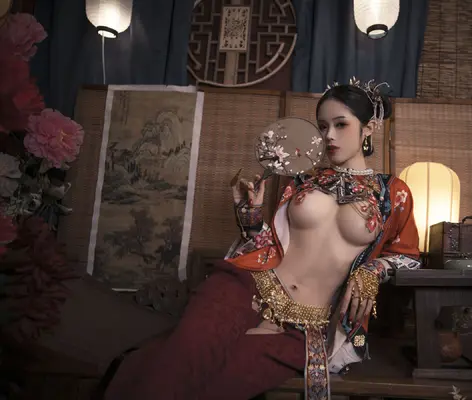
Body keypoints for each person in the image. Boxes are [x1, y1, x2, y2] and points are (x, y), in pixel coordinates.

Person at [103, 79, 421, 400]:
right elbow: (270, 244)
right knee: (180, 360)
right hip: (247, 286)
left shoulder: (392, 193)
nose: (328, 136)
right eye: (323, 126)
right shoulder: (303, 179)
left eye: (341, 125)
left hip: (307, 326)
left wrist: (373, 271)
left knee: (219, 385)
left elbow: (409, 257)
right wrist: (250, 214)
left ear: (368, 128)